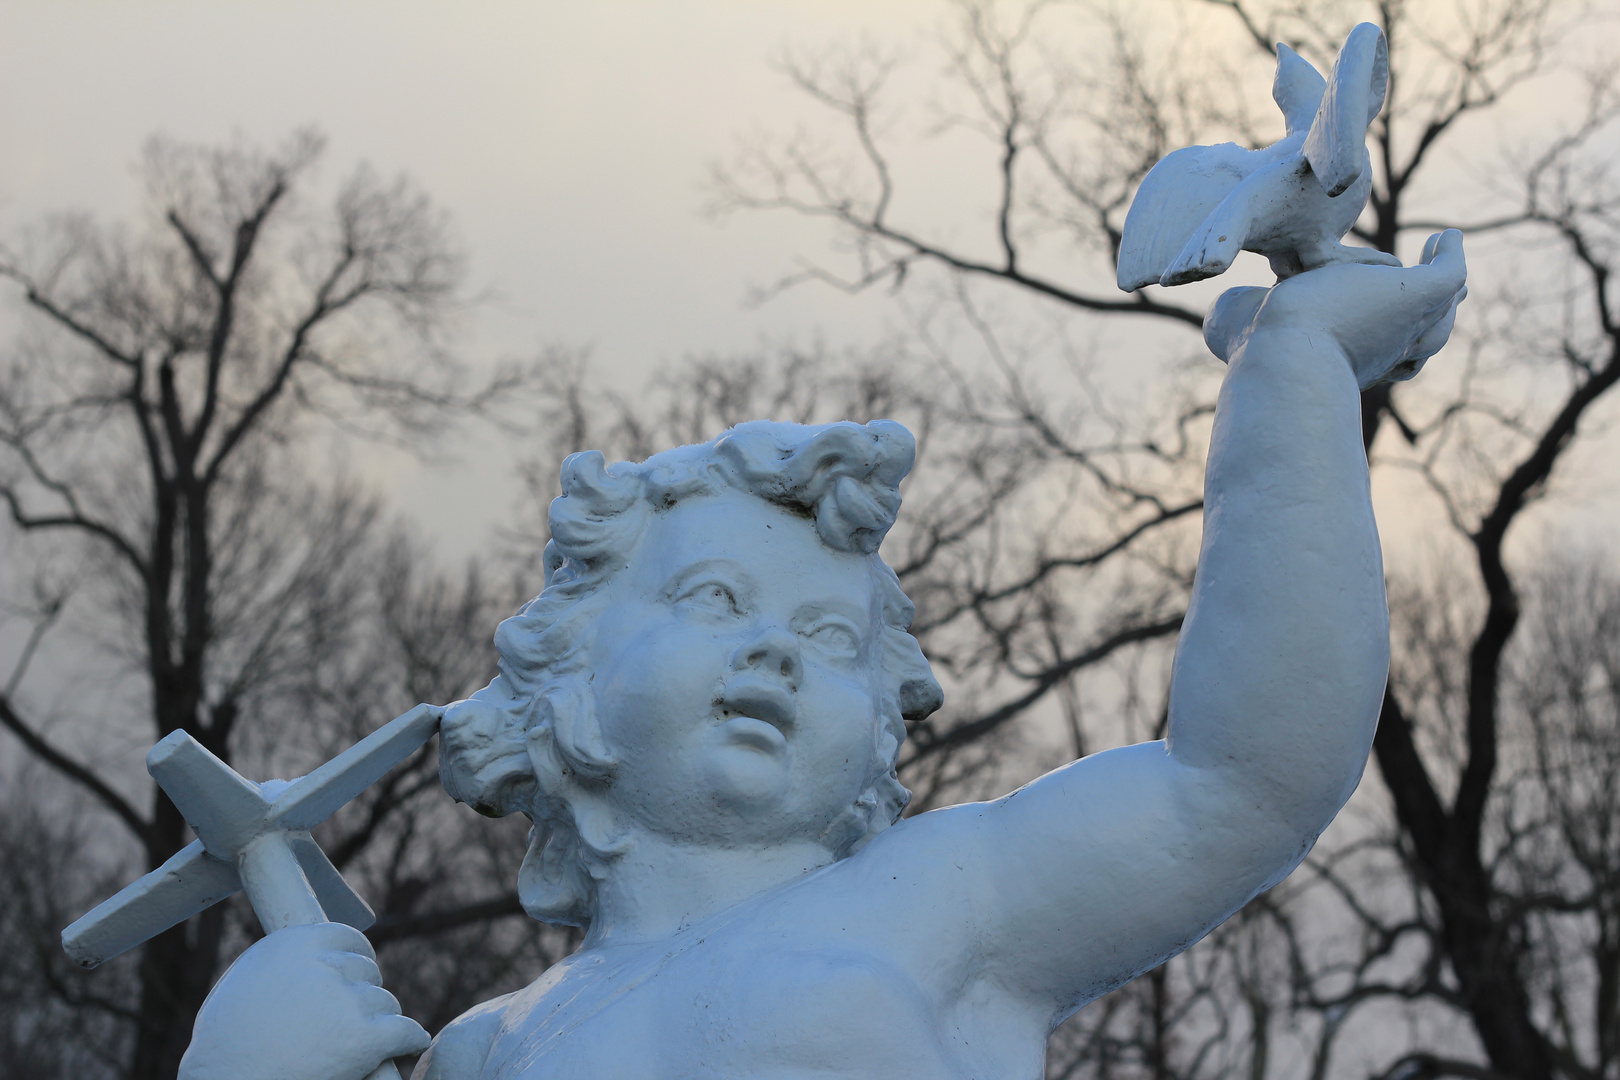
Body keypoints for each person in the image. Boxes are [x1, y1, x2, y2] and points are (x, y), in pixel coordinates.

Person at [177, 232, 1468, 1080]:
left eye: (829, 634)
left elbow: (1237, 777)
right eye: (717, 599)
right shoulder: (475, 1052)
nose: (774, 654)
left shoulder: (949, 893)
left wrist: (1291, 378)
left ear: (882, 722)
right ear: (562, 682)